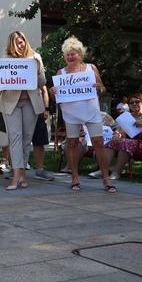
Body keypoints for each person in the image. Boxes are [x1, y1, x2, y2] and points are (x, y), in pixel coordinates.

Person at [50, 36, 115, 193]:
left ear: (80, 54)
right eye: (68, 54)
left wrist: (100, 87)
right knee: (72, 143)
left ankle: (106, 179)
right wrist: (53, 93)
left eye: (74, 54)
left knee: (98, 142)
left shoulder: (91, 69)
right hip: (71, 113)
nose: (71, 57)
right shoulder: (61, 72)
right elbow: (56, 97)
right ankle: (75, 177)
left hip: (91, 111)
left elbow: (102, 88)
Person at [0, 31, 46, 191]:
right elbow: (0, 82)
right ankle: (16, 175)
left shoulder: (35, 58)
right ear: (12, 44)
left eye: (23, 41)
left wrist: (38, 70)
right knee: (15, 138)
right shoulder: (5, 60)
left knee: (26, 139)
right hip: (11, 103)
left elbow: (42, 83)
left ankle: (22, 172)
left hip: (31, 104)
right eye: (18, 42)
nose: (21, 44)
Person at [31, 86, 54, 181]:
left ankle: (40, 170)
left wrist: (46, 108)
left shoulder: (37, 71)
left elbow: (44, 90)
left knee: (39, 141)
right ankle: (15, 169)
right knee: (17, 139)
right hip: (17, 106)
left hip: (37, 109)